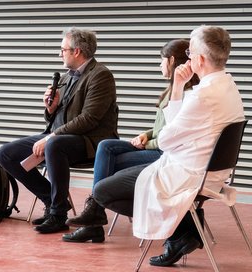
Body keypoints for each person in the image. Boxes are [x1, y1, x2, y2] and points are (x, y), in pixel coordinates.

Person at [93, 25, 244, 266]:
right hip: (211, 172)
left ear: (201, 59)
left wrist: (176, 88)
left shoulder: (201, 96)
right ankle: (184, 230)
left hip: (188, 174)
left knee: (102, 191)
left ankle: (181, 231)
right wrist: (176, 87)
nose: (188, 58)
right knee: (123, 174)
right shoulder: (229, 86)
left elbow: (164, 139)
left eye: (190, 53)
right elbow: (172, 133)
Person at [62, 39, 200, 243]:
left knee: (107, 164)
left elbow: (171, 137)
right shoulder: (175, 90)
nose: (159, 65)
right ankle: (95, 212)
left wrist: (148, 143)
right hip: (157, 145)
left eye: (161, 61)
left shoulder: (185, 95)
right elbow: (164, 127)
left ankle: (94, 217)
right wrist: (147, 134)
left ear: (171, 60)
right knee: (106, 146)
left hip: (164, 154)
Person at [0, 27, 118, 234]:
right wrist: (50, 109)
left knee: (54, 144)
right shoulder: (65, 77)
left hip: (89, 141)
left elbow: (89, 119)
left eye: (62, 49)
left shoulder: (101, 75)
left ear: (76, 51)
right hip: (59, 138)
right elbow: (59, 117)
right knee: (5, 154)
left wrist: (52, 136)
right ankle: (50, 200)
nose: (60, 53)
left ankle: (58, 213)